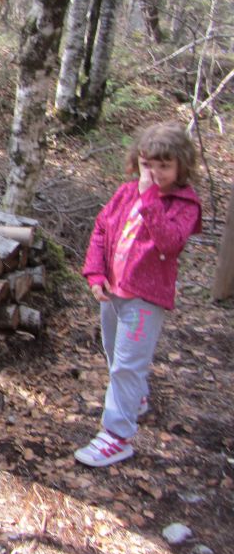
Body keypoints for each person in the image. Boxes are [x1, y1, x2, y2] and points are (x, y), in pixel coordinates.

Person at [76, 122, 201, 467]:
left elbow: (170, 242)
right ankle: (135, 399)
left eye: (165, 166)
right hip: (113, 291)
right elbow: (102, 229)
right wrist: (95, 272)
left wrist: (150, 200)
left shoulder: (183, 203)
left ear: (180, 167)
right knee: (115, 354)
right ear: (138, 161)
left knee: (127, 365)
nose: (155, 173)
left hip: (146, 298)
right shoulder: (125, 192)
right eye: (149, 165)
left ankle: (117, 436)